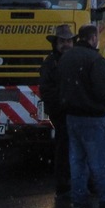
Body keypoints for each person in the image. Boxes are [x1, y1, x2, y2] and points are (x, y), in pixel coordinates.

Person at [58, 24, 105, 208]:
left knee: (77, 161)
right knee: (102, 162)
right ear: (92, 39)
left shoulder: (66, 58)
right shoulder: (95, 60)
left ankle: (79, 200)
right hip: (92, 117)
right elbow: (102, 91)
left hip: (72, 116)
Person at [39, 23, 75, 196]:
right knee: (63, 146)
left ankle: (72, 180)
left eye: (69, 41)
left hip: (73, 109)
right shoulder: (50, 63)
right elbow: (46, 89)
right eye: (62, 41)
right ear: (56, 43)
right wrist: (61, 103)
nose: (66, 44)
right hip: (60, 111)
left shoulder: (72, 59)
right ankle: (63, 182)